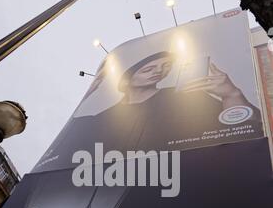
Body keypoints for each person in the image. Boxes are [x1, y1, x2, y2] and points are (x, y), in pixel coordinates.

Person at [34, 51, 263, 172]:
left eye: (165, 67)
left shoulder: (184, 98)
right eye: (149, 68)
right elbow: (63, 158)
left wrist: (231, 94)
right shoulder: (97, 121)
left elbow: (244, 133)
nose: (159, 72)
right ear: (128, 74)